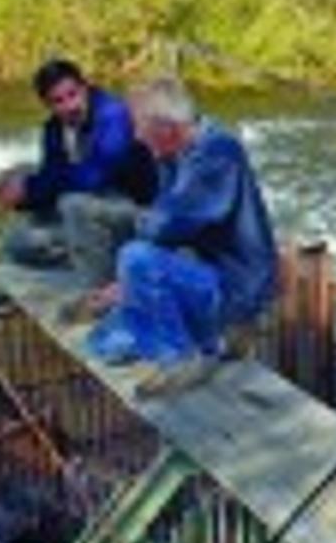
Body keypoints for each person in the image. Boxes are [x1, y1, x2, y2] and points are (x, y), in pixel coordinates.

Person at [87, 76, 278, 396]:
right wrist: (129, 285)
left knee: (133, 256)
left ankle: (183, 358)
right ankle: (208, 342)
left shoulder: (218, 153)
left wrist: (137, 258)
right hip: (199, 274)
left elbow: (164, 226)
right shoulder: (173, 156)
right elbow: (164, 232)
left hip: (233, 290)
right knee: (104, 343)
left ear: (166, 128)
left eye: (139, 127)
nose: (135, 136)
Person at [0, 58, 157, 287]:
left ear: (85, 87)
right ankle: (96, 258)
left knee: (72, 203)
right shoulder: (53, 130)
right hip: (90, 215)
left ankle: (99, 290)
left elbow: (95, 175)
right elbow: (50, 181)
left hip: (136, 212)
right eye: (58, 101)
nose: (69, 106)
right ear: (47, 105)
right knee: (16, 244)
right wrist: (19, 197)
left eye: (73, 94)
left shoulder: (114, 115)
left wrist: (29, 187)